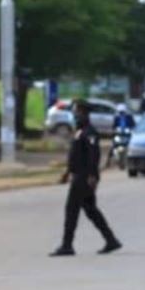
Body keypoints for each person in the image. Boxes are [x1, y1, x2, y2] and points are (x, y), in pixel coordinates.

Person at [51, 99, 121, 257]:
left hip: (84, 178)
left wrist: (92, 176)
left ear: (85, 113)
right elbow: (75, 156)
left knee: (72, 210)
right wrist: (67, 172)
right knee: (91, 210)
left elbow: (93, 156)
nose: (75, 115)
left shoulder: (90, 132)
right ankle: (111, 240)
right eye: (74, 112)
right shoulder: (80, 131)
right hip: (78, 176)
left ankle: (67, 245)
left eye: (78, 112)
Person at [107, 103, 136, 168]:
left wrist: (132, 129)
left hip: (127, 135)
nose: (121, 113)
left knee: (132, 145)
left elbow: (133, 125)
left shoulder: (129, 117)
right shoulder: (116, 118)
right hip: (118, 135)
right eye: (120, 112)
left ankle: (132, 159)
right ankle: (108, 161)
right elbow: (113, 126)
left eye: (122, 112)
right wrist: (113, 131)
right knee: (113, 145)